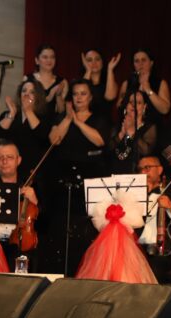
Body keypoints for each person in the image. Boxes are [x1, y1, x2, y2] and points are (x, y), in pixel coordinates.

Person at [42, 78, 109, 276]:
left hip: (88, 181)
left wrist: (78, 122)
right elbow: (54, 140)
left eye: (83, 94)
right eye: (75, 94)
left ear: (90, 97)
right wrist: (68, 118)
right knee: (61, 226)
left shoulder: (99, 119)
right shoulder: (62, 118)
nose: (79, 97)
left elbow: (99, 140)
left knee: (84, 229)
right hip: (63, 182)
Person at [0, 140, 39, 271]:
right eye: (0, 158)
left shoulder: (30, 183)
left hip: (19, 243)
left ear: (18, 160)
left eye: (10, 157)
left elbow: (45, 221)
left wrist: (35, 201)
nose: (5, 161)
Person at [137, 156, 171, 284]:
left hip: (166, 256)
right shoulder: (135, 195)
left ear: (159, 170)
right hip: (139, 253)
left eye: (147, 168)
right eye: (140, 169)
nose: (143, 172)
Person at [0, 79, 51, 183]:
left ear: (38, 96)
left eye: (32, 92)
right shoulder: (11, 114)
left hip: (32, 173)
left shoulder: (44, 116)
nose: (27, 94)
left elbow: (42, 134)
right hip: (9, 169)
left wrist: (28, 110)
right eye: (24, 91)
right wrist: (12, 113)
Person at [117, 48, 171, 124]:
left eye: (143, 60)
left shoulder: (160, 83)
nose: (140, 64)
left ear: (151, 63)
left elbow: (165, 109)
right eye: (137, 61)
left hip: (152, 126)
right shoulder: (127, 83)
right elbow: (119, 106)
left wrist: (148, 89)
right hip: (130, 125)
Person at [109, 90, 157, 174]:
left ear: (144, 107)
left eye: (138, 103)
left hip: (138, 174)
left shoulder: (149, 127)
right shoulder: (117, 126)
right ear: (126, 105)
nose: (134, 105)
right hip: (116, 174)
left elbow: (146, 151)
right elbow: (108, 151)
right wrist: (121, 134)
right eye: (131, 102)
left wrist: (132, 133)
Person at [24, 44, 68, 115]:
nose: (49, 60)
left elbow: (61, 112)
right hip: (32, 119)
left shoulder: (62, 82)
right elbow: (25, 105)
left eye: (52, 57)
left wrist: (58, 95)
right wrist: (49, 97)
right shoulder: (28, 79)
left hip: (53, 121)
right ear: (37, 60)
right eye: (45, 57)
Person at [80, 48, 120, 119]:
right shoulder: (80, 82)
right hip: (83, 122)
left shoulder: (110, 82)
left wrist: (110, 69)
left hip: (104, 123)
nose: (94, 63)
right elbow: (81, 96)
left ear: (102, 62)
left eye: (97, 59)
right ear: (84, 64)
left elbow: (110, 98)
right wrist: (88, 71)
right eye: (89, 60)